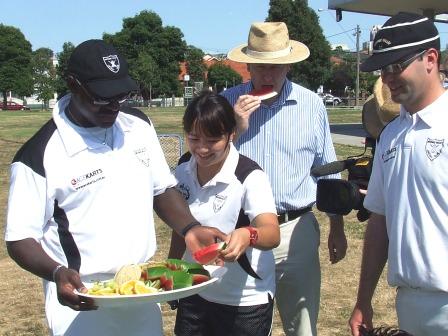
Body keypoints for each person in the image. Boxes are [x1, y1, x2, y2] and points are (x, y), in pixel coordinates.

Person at [4, 39, 225, 336]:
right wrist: (57, 273)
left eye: (120, 96)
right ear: (73, 84)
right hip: (84, 296)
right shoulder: (39, 155)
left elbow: (161, 189)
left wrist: (190, 228)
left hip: (142, 287)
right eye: (102, 97)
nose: (114, 106)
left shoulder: (138, 125)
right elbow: (20, 238)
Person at [222, 22, 347, 336]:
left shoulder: (311, 105)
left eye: (275, 67)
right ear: (247, 64)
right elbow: (205, 163)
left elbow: (327, 168)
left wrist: (337, 226)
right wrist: (235, 127)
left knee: (302, 325)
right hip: (239, 231)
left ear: (289, 64)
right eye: (260, 67)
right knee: (240, 325)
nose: (267, 76)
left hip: (296, 228)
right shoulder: (225, 103)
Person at [349, 12, 448, 336]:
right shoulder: (391, 135)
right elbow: (380, 219)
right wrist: (364, 299)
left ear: (430, 59)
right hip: (409, 304)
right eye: (383, 69)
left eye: (396, 65)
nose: (387, 77)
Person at [168, 91, 280, 335]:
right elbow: (182, 228)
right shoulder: (183, 169)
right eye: (194, 138)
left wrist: (248, 234)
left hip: (245, 301)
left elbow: (272, 233)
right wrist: (173, 270)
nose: (202, 148)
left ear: (231, 134)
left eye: (212, 140)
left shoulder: (250, 176)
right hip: (194, 290)